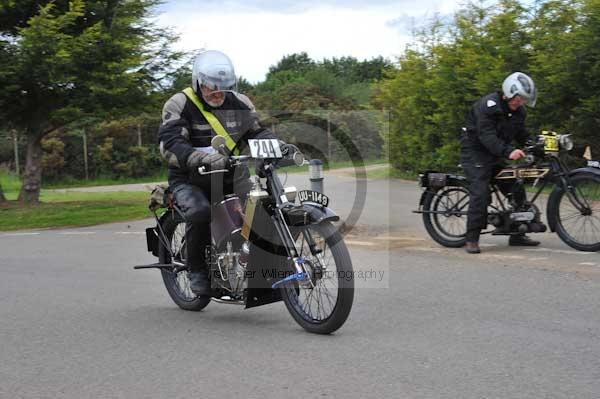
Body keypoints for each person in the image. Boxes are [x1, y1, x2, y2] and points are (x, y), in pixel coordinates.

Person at [157, 50, 276, 295]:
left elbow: (257, 132)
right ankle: (197, 270)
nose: (217, 93)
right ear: (198, 82)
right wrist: (199, 158)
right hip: (191, 179)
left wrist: (275, 147)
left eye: (223, 87)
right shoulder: (179, 104)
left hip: (232, 175)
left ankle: (263, 262)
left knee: (265, 206)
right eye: (212, 87)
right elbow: (171, 142)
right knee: (200, 212)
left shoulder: (240, 102)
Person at [460, 72, 540, 254]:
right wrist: (508, 151)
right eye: (519, 99)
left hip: (495, 153)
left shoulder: (519, 112)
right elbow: (486, 135)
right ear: (509, 92)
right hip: (475, 153)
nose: (520, 103)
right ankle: (471, 239)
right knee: (480, 194)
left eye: (523, 100)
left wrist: (535, 145)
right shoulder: (488, 106)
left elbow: (521, 134)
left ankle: (517, 234)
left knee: (516, 187)